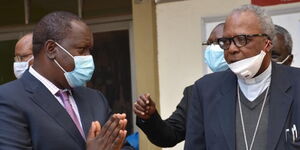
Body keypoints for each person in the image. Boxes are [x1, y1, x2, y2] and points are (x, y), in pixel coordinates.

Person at [0, 11, 128, 150]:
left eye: (89, 50)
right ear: (51, 49)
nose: (88, 57)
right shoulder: (8, 99)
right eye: (81, 50)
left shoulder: (95, 99)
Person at [185, 4, 300, 150]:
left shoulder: (297, 84)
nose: (232, 49)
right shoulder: (205, 90)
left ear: (267, 43)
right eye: (226, 41)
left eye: (242, 39)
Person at [133, 23, 227, 147]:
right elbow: (169, 136)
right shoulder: (196, 92)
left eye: (219, 42)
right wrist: (150, 117)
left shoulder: (247, 86)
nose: (213, 48)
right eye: (209, 43)